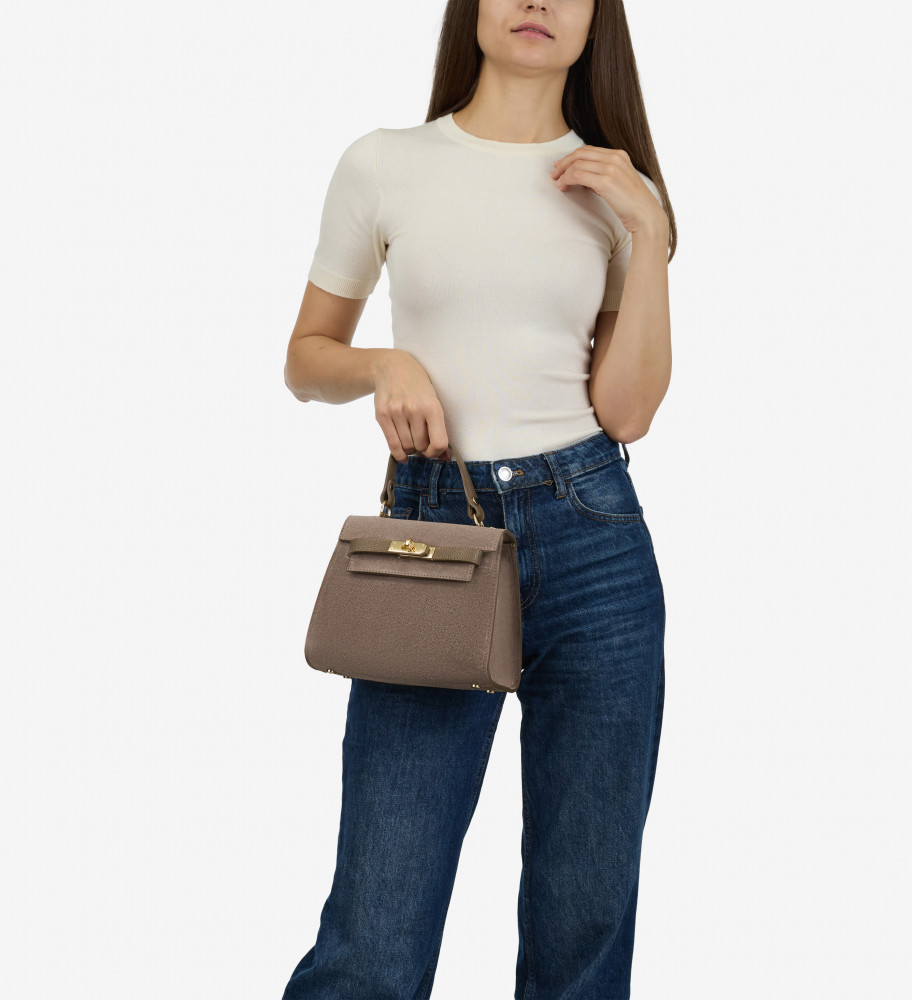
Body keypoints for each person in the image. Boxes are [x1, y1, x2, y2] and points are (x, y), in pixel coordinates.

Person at [280, 1, 675, 997]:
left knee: (584, 923)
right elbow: (306, 358)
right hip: (436, 534)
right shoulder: (386, 162)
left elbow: (626, 412)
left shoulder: (617, 189)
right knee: (377, 926)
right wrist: (384, 364)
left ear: (596, 22)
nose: (537, 2)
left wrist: (648, 228)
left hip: (593, 538)